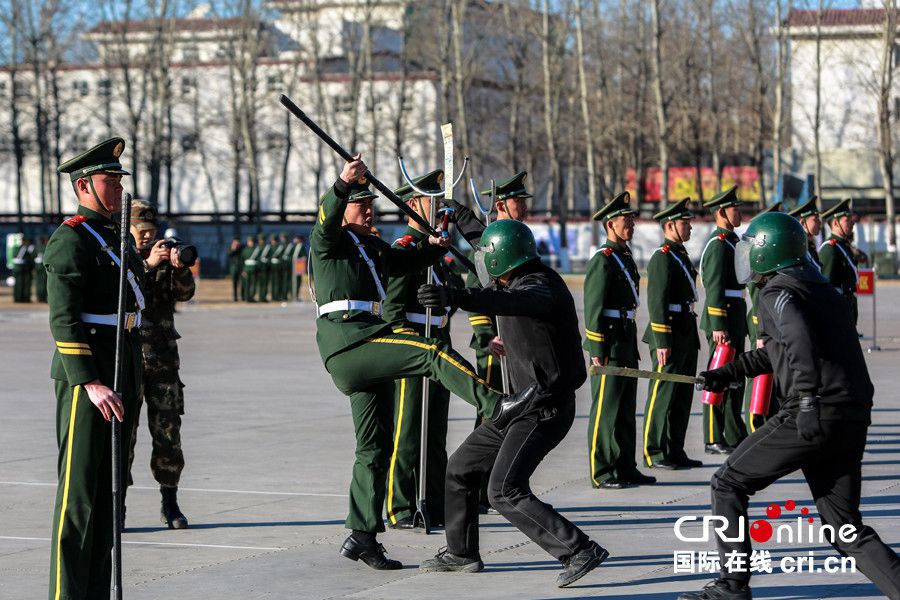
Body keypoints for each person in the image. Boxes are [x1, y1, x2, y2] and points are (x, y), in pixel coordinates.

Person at [309, 154, 535, 570]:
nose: (369, 209)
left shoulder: (369, 246)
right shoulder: (330, 241)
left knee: (372, 449)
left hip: (366, 341)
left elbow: (401, 262)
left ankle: (362, 536)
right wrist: (342, 183)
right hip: (350, 338)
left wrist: (434, 249)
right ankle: (495, 406)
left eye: (369, 203)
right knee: (431, 353)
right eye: (361, 204)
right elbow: (325, 218)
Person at [680, 211, 900, 600]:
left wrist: (809, 401)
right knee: (845, 529)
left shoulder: (776, 292)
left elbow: (797, 339)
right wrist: (730, 371)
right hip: (849, 415)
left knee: (727, 482)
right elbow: (780, 352)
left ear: (767, 251)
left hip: (812, 410)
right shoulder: (820, 288)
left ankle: (731, 587)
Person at [417, 219, 607, 588]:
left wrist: (457, 295)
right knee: (460, 468)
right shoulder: (514, 276)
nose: (485, 266)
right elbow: (484, 242)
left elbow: (510, 301)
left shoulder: (541, 285)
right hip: (519, 405)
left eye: (491, 258)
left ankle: (578, 549)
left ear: (504, 259)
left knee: (503, 490)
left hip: (545, 408)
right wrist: (458, 214)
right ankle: (461, 553)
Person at [45, 137, 144, 599]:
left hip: (124, 365)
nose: (119, 188)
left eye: (120, 179)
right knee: (80, 498)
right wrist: (90, 381)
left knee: (109, 497)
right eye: (110, 180)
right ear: (84, 185)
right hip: (92, 377)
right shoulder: (71, 238)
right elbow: (64, 318)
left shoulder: (114, 236)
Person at [446, 170, 533, 512]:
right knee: (491, 417)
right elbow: (477, 294)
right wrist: (488, 338)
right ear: (502, 204)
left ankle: (500, 482)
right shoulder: (492, 246)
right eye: (518, 200)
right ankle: (479, 486)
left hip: (514, 345)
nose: (523, 205)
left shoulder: (512, 238)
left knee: (511, 416)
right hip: (494, 349)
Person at [383, 169, 453, 529]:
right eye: (433, 200)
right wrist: (409, 347)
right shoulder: (405, 250)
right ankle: (400, 505)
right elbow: (392, 312)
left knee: (435, 432)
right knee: (407, 431)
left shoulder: (437, 252)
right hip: (413, 348)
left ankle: (434, 500)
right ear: (412, 204)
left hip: (438, 343)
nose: (439, 207)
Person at [126, 200, 195, 529]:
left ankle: (170, 502)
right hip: (127, 361)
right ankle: (118, 503)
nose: (148, 237)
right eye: (142, 231)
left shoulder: (164, 256)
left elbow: (184, 294)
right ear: (129, 229)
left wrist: (179, 267)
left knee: (168, 434)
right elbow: (122, 295)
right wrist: (147, 265)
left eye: (152, 231)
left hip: (163, 363)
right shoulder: (119, 258)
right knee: (122, 437)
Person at [583, 192, 656, 489]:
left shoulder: (623, 257)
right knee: (606, 410)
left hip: (625, 341)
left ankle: (626, 466)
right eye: (627, 220)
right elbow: (594, 308)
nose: (632, 225)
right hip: (609, 344)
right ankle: (601, 471)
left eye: (632, 220)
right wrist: (597, 349)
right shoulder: (603, 260)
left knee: (626, 410)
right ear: (611, 224)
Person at [641, 198, 703, 471]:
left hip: (685, 330)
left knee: (681, 394)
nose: (689, 227)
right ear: (670, 226)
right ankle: (654, 450)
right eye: (684, 223)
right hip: (669, 333)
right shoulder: (662, 257)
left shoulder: (679, 255)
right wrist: (663, 340)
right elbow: (657, 301)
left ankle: (674, 448)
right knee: (663, 393)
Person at [699, 185, 748, 455]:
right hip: (724, 320)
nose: (739, 212)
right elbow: (714, 287)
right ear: (721, 213)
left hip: (735, 316)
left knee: (734, 379)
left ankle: (732, 431)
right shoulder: (718, 246)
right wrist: (718, 325)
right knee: (717, 380)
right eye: (734, 209)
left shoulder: (732, 242)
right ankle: (712, 436)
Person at [743, 201, 783, 434]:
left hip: (776, 324)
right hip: (764, 326)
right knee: (759, 377)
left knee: (775, 378)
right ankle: (755, 427)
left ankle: (771, 421)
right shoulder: (762, 257)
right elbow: (758, 296)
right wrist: (760, 332)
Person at [819, 198, 859, 326]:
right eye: (847, 220)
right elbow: (827, 286)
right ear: (835, 223)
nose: (852, 223)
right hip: (838, 311)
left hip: (847, 306)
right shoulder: (830, 248)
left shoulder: (842, 245)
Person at [787, 195, 821, 267]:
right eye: (816, 219)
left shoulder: (809, 247)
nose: (820, 222)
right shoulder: (798, 252)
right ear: (803, 223)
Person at [11, 234, 35, 302]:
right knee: (23, 283)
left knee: (17, 284)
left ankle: (17, 297)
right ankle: (23, 298)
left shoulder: (15, 247)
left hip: (16, 268)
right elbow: (29, 258)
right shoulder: (25, 248)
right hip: (23, 268)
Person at [241, 236, 259, 302]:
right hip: (247, 269)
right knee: (247, 284)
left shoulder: (256, 250)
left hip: (254, 269)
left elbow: (258, 260)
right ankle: (247, 298)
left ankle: (252, 297)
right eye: (249, 242)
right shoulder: (245, 250)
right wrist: (243, 270)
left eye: (251, 242)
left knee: (254, 284)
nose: (250, 243)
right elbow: (242, 261)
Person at [34, 235, 49, 303]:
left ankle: (39, 297)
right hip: (43, 268)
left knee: (38, 283)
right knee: (44, 283)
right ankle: (43, 297)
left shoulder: (36, 248)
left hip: (38, 267)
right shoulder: (46, 248)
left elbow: (32, 257)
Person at [228, 237, 243, 302]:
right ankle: (235, 297)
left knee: (243, 283)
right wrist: (233, 248)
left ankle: (243, 296)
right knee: (234, 283)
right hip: (234, 268)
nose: (236, 244)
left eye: (237, 242)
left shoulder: (242, 248)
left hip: (241, 267)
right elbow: (229, 254)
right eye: (235, 242)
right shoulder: (232, 248)